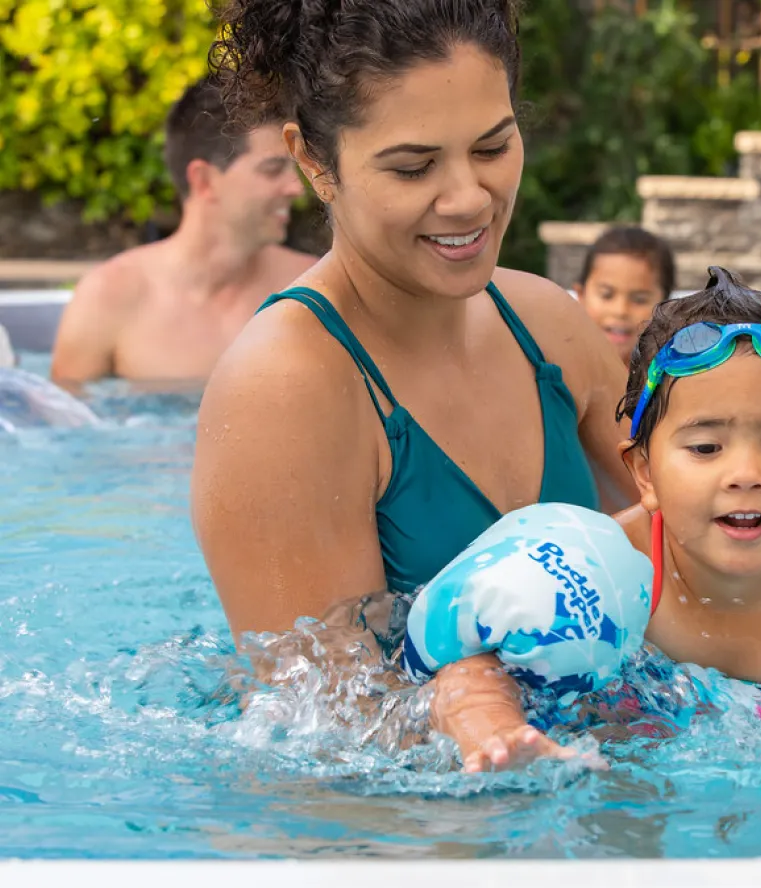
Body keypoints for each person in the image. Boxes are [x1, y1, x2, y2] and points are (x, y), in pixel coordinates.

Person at [191, 2, 638, 664]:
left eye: (492, 147)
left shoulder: (548, 326)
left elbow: (715, 548)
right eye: (412, 167)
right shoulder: (286, 389)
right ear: (315, 163)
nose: (468, 198)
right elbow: (325, 733)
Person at [432, 267, 761, 772]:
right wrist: (495, 730)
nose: (746, 475)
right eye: (705, 447)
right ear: (645, 472)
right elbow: (466, 673)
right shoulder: (600, 573)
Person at [50, 77, 316, 387]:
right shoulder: (109, 298)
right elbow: (64, 427)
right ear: (204, 180)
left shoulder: (312, 289)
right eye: (272, 170)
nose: (297, 188)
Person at [572, 226, 676, 365]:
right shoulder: (558, 370)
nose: (621, 311)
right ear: (581, 295)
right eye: (606, 295)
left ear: (667, 308)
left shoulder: (678, 380)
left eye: (639, 300)